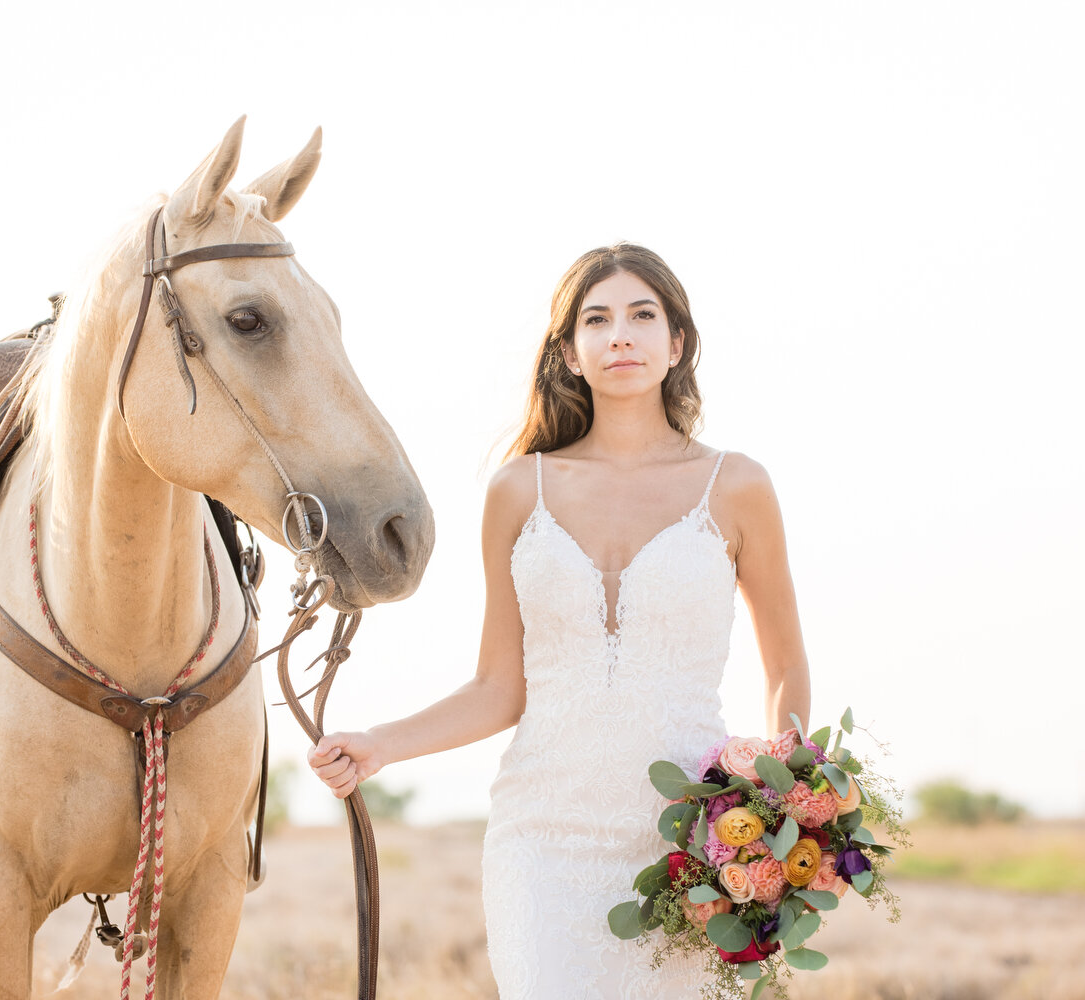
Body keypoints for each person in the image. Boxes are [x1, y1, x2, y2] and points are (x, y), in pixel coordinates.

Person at [307, 243, 811, 998]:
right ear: (570, 353)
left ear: (676, 344)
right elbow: (497, 687)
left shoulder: (736, 486)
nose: (620, 336)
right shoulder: (519, 490)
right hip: (540, 840)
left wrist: (785, 806)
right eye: (597, 320)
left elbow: (785, 667)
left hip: (692, 843)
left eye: (644, 316)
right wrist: (379, 745)